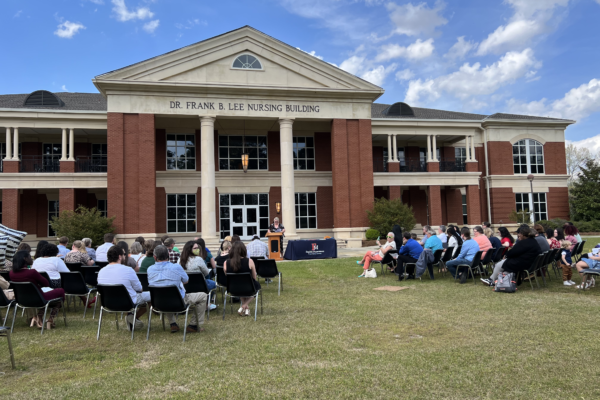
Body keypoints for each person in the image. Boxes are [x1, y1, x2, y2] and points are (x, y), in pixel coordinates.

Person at [148, 245, 208, 333]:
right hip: (178, 301)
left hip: (158, 303)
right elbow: (186, 280)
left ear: (155, 257)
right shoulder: (176, 267)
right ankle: (193, 325)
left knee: (165, 292)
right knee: (203, 296)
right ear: (168, 255)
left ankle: (173, 324)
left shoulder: (150, 269)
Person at [97, 246, 149, 331]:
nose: (125, 256)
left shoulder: (101, 271)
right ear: (120, 257)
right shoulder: (128, 270)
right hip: (128, 302)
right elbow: (139, 289)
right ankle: (132, 317)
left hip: (108, 303)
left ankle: (131, 317)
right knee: (151, 296)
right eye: (124, 254)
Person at [10, 250, 65, 329]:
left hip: (21, 300)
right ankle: (48, 318)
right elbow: (46, 283)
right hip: (39, 298)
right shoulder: (32, 272)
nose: (31, 258)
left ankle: (38, 317)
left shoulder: (11, 273)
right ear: (25, 259)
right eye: (29, 256)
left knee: (51, 298)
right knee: (61, 291)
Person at [224, 241, 260, 317]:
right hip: (248, 288)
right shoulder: (249, 261)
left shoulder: (226, 263)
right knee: (256, 285)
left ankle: (245, 307)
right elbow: (254, 277)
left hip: (233, 289)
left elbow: (227, 276)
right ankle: (244, 305)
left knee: (240, 284)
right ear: (244, 250)